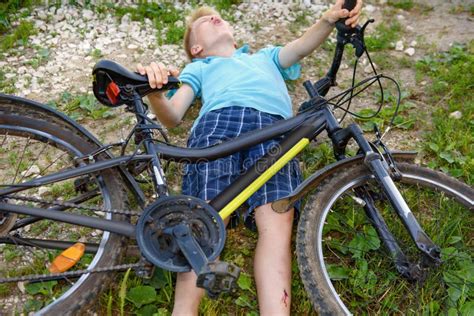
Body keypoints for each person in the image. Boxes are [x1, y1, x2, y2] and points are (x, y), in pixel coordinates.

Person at [137, 1, 362, 314]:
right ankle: (183, 311)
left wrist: (327, 20)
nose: (215, 16)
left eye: (219, 17)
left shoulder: (265, 57)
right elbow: (173, 116)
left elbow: (299, 48)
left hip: (275, 128)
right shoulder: (200, 67)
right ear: (197, 48)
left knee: (277, 221)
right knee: (203, 219)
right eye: (205, 21)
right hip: (219, 125)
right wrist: (156, 95)